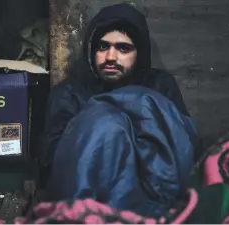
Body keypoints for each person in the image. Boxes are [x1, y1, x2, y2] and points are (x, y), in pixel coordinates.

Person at [38, 3, 198, 217]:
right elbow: (55, 164)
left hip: (152, 194)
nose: (111, 57)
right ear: (91, 50)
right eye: (103, 47)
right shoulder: (68, 94)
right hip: (88, 199)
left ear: (139, 53)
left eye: (123, 48)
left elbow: (182, 144)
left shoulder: (159, 85)